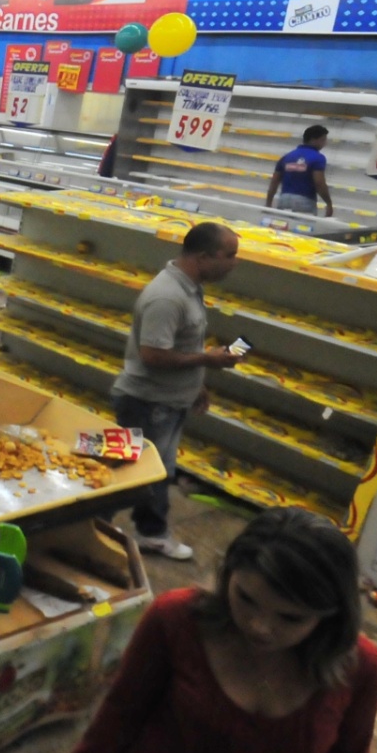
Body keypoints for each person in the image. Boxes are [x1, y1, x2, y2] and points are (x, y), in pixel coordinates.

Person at [36, 509, 377, 753]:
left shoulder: (360, 670)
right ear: (228, 574)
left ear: (331, 614)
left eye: (290, 617)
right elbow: (124, 708)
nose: (260, 626)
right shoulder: (177, 620)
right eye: (246, 598)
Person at [111, 222, 242, 561]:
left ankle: (140, 530)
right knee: (140, 474)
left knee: (151, 472)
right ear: (202, 256)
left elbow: (182, 343)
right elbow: (153, 355)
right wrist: (208, 360)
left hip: (166, 400)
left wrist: (196, 384)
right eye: (230, 256)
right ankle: (127, 531)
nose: (234, 263)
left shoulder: (189, 288)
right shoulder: (167, 297)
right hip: (148, 402)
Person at [265, 125, 332, 217]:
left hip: (284, 200)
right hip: (305, 202)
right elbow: (319, 183)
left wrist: (268, 204)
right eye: (323, 139)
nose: (325, 143)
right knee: (303, 230)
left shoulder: (287, 156)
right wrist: (328, 203)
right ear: (314, 139)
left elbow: (274, 182)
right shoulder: (318, 158)